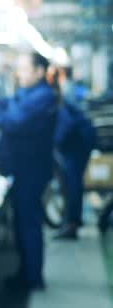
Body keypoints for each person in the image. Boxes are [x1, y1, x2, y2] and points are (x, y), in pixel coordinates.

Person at [0, 52, 58, 290]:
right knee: (22, 222)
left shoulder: (43, 96)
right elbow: (10, 105)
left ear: (38, 71)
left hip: (31, 171)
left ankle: (33, 278)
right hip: (23, 169)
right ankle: (27, 273)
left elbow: (11, 122)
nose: (20, 74)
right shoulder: (29, 93)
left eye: (25, 69)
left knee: (28, 223)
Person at [53, 89, 96, 239]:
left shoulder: (56, 103)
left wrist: (54, 143)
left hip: (78, 146)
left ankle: (72, 225)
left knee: (73, 184)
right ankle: (74, 221)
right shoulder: (59, 100)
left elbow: (66, 125)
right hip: (80, 143)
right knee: (74, 183)